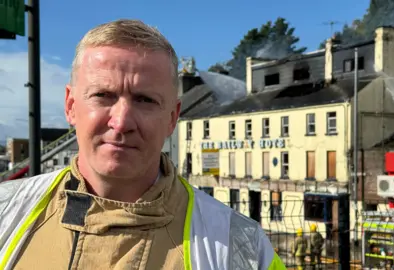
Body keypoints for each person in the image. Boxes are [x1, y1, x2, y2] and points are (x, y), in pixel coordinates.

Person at [0, 19, 286, 270]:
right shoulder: (5, 210)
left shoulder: (243, 245)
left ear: (172, 117)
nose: (122, 122)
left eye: (145, 100)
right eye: (103, 95)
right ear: (71, 105)